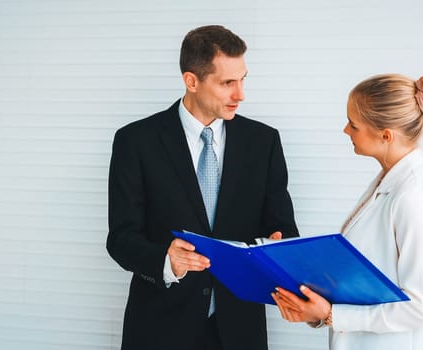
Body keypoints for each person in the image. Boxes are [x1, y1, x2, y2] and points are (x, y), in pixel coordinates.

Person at [107, 25, 299, 350]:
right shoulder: (135, 141)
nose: (241, 94)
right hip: (159, 329)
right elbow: (121, 238)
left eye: (242, 80)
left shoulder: (263, 142)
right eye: (227, 83)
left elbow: (283, 230)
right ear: (191, 81)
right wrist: (165, 261)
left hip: (240, 330)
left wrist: (275, 248)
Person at [271, 74, 423, 350]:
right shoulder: (388, 182)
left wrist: (331, 314)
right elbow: (365, 278)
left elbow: (422, 307)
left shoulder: (414, 196)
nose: (345, 130)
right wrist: (317, 308)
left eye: (354, 125)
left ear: (385, 135)